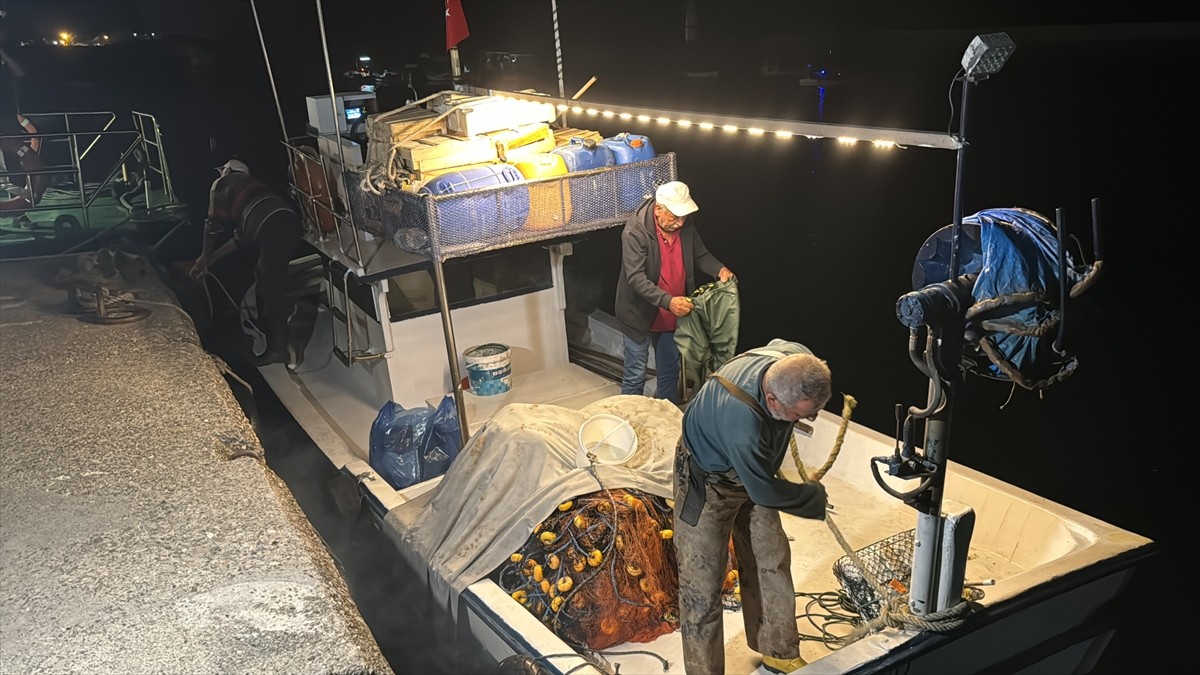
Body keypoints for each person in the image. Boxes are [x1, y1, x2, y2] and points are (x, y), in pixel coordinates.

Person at [673, 338, 832, 675]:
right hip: (708, 483)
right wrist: (811, 498)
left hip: (755, 473)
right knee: (701, 585)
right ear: (773, 399)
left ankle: (779, 651)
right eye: (802, 415)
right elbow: (764, 492)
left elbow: (782, 345)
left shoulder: (796, 360)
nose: (812, 418)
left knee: (771, 558)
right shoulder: (742, 421)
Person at [614, 180, 732, 404]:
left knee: (669, 373)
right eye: (675, 217)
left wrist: (719, 269)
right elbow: (636, 278)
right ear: (658, 210)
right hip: (638, 314)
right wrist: (668, 301)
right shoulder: (634, 232)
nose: (680, 223)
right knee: (635, 374)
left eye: (684, 217)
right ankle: (626, 423)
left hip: (673, 315)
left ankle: (668, 419)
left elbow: (700, 255)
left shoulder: (684, 224)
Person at [189, 159, 303, 366]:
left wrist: (204, 255)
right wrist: (207, 263)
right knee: (266, 275)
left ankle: (279, 347)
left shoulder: (223, 184)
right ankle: (271, 329)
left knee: (269, 280)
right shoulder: (253, 196)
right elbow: (237, 241)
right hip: (289, 222)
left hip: (273, 225)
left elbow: (212, 225)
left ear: (228, 171)